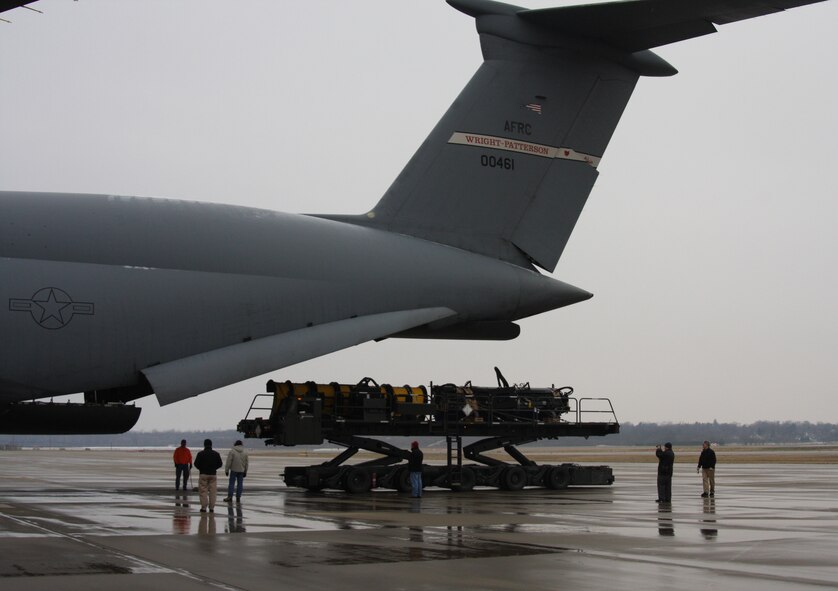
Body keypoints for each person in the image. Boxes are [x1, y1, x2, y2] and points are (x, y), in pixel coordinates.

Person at [193, 438, 223, 512]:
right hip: (213, 474)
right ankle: (211, 507)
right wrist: (214, 468)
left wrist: (201, 469)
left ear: (204, 445)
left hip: (203, 474)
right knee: (213, 492)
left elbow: (196, 464)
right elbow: (220, 464)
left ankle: (203, 507)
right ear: (211, 445)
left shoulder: (200, 454)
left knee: (203, 491)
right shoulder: (216, 454)